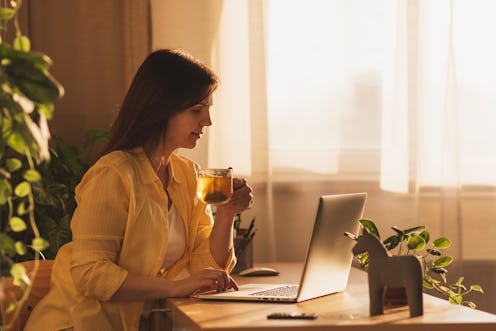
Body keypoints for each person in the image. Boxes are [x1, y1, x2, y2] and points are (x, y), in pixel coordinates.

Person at [25, 49, 253, 331]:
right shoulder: (113, 175)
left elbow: (206, 269)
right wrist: (174, 288)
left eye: (208, 109)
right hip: (76, 324)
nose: (208, 121)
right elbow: (90, 274)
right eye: (197, 110)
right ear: (161, 109)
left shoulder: (187, 174)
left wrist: (227, 213)